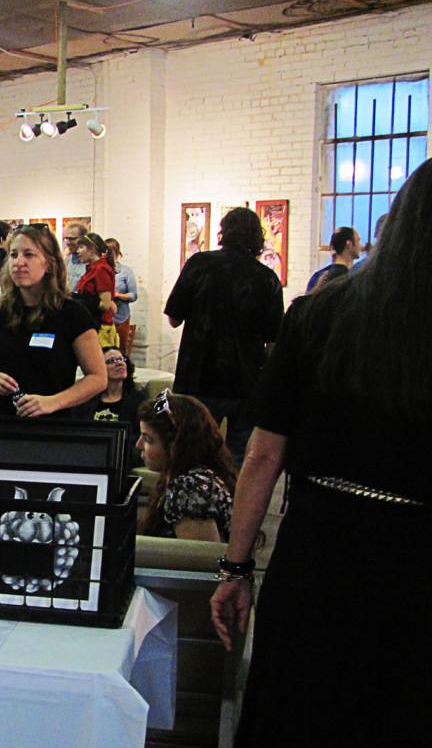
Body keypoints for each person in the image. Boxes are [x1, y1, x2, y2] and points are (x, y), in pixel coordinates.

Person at [209, 160, 432, 748]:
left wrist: (235, 567)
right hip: (416, 560)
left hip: (321, 547)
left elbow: (262, 456)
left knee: (305, 704)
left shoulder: (320, 313)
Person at [164, 207, 283, 466]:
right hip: (245, 382)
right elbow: (273, 340)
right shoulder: (267, 278)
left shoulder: (199, 264)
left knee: (193, 453)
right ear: (257, 237)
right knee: (238, 457)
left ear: (223, 231)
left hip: (198, 377)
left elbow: (173, 319)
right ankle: (230, 503)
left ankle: (195, 504)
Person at [0, 224, 107, 419]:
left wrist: (53, 402)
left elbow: (98, 378)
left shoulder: (73, 314)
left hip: (53, 428)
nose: (19, 262)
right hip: (1, 426)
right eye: (13, 255)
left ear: (48, 263)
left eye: (29, 255)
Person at [135, 389, 235, 542]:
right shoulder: (192, 477)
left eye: (148, 439)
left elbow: (199, 560)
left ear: (175, 445)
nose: (138, 444)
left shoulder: (191, 488)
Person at [86, 347, 147, 471]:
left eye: (121, 359)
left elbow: (140, 437)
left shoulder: (139, 400)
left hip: (124, 455)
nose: (119, 363)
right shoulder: (87, 401)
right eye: (111, 361)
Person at [74, 232, 119, 347]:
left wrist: (81, 301)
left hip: (102, 327)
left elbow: (105, 304)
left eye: (81, 247)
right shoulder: (92, 268)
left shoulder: (101, 269)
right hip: (92, 323)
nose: (77, 251)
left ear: (92, 249)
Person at [106, 238, 138, 357]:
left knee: (121, 351)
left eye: (111, 252)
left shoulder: (125, 271)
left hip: (121, 317)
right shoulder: (99, 270)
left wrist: (117, 295)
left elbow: (133, 295)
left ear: (117, 253)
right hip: (103, 317)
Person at [305, 226, 361, 292]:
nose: (360, 246)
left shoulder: (317, 276)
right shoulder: (351, 279)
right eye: (358, 241)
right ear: (349, 244)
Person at [62, 221, 87, 293]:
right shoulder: (67, 260)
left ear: (83, 238)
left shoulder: (92, 263)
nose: (67, 242)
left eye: (71, 239)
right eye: (66, 239)